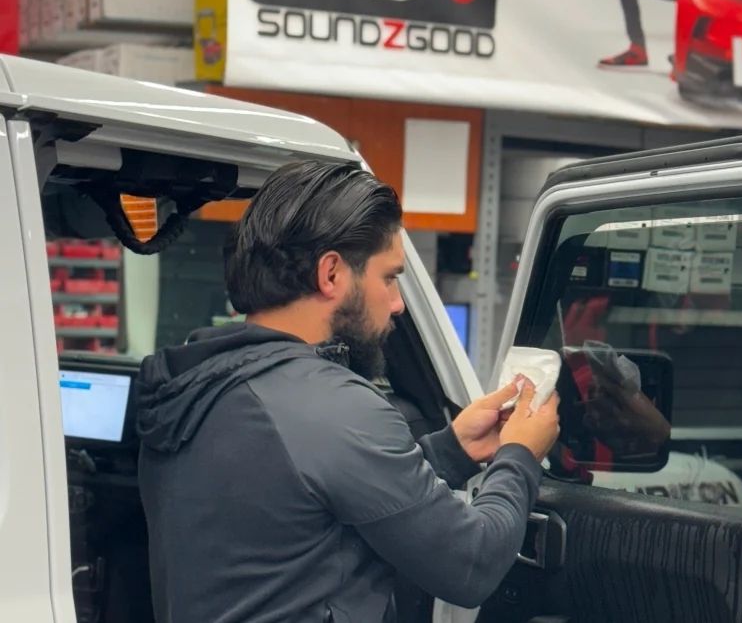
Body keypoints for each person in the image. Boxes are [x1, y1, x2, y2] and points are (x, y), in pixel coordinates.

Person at [134, 160, 560, 623]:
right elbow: (471, 565)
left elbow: (304, 497)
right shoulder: (333, 405)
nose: (397, 303)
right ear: (332, 274)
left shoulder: (196, 384)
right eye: (390, 277)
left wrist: (450, 452)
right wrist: (519, 456)